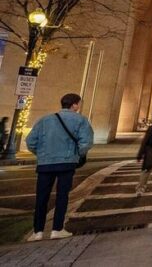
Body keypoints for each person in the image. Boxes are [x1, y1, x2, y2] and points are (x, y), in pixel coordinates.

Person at [25, 93, 94, 241]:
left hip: (45, 163)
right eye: (79, 103)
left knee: (41, 197)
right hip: (66, 163)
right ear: (74, 105)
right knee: (62, 196)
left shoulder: (44, 120)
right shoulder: (80, 120)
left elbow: (30, 141)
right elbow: (86, 143)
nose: (79, 106)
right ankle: (57, 229)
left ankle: (38, 232)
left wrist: (42, 154)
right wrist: (77, 155)